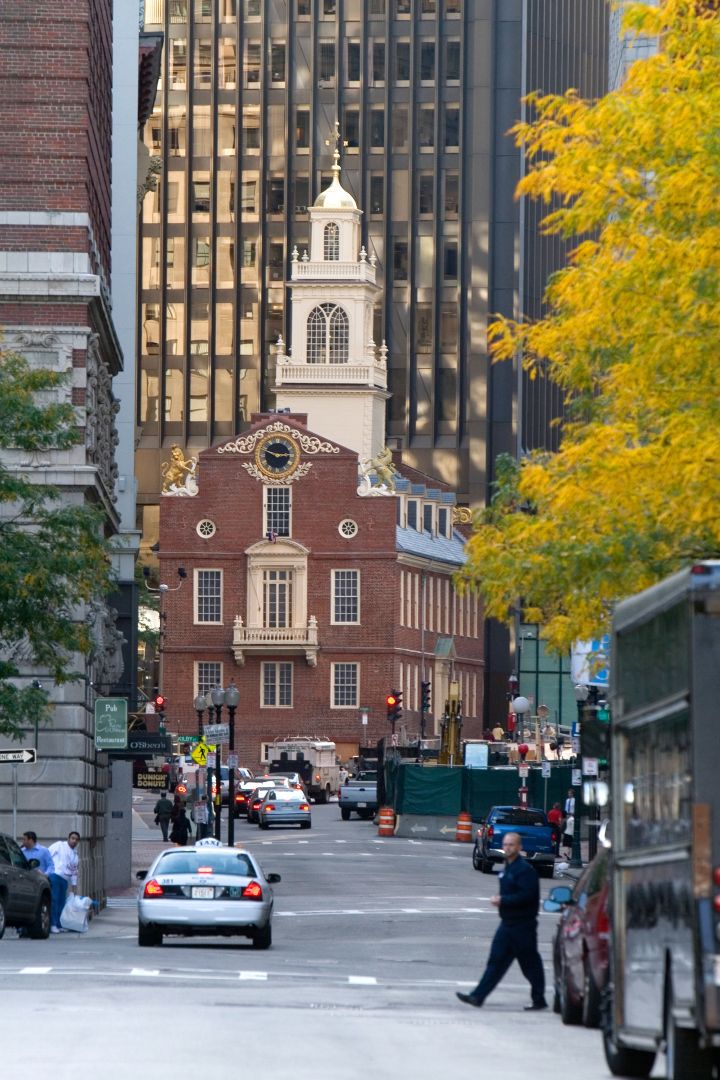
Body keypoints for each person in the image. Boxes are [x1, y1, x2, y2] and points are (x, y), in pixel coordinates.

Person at [456, 832, 547, 1011]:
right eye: (505, 844)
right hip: (507, 925)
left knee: (530, 964)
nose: (507, 847)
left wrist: (503, 900)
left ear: (519, 847)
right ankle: (477, 996)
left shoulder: (525, 870)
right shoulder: (508, 868)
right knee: (496, 961)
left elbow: (528, 896)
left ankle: (539, 999)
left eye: (511, 845)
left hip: (523, 926)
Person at [20, 831, 63, 934]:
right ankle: (23, 928)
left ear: (31, 840)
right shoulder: (22, 851)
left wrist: (45, 874)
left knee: (44, 903)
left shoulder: (43, 851)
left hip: (40, 883)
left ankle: (50, 924)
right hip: (25, 882)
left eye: (24, 839)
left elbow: (51, 866)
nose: (23, 841)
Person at [48, 832, 80, 933]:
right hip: (55, 876)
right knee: (54, 901)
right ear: (68, 838)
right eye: (72, 838)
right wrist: (49, 870)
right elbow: (48, 854)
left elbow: (74, 871)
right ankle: (52, 924)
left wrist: (74, 886)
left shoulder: (75, 855)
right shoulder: (59, 845)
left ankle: (58, 923)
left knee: (61, 902)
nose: (74, 841)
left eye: (76, 839)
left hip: (65, 880)